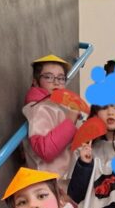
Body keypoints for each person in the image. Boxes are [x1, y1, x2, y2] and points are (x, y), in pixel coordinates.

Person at [22, 54, 80, 184]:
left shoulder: (60, 106)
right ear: (35, 81)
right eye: (48, 77)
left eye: (61, 78)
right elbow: (45, 150)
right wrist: (70, 121)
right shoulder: (38, 108)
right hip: (49, 182)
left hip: (62, 179)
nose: (56, 82)